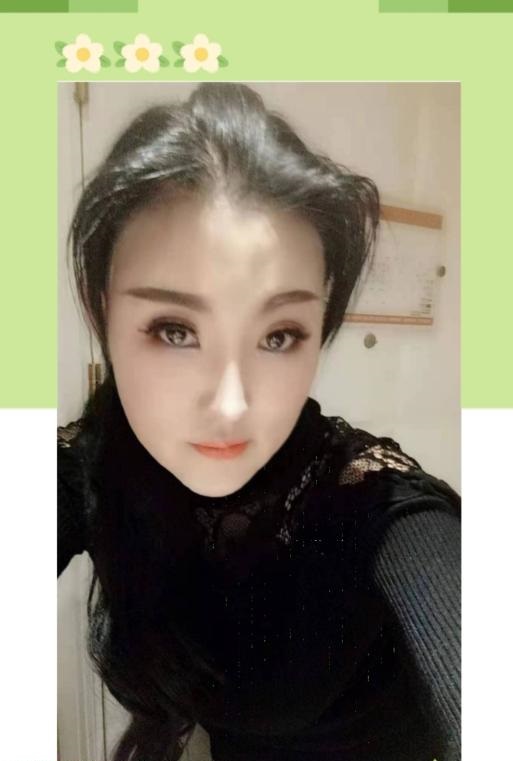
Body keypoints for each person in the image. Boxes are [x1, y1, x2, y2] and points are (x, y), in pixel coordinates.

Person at [58, 82, 461, 761]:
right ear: (103, 309)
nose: (231, 404)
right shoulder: (93, 466)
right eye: (174, 329)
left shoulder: (368, 501)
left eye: (279, 335)